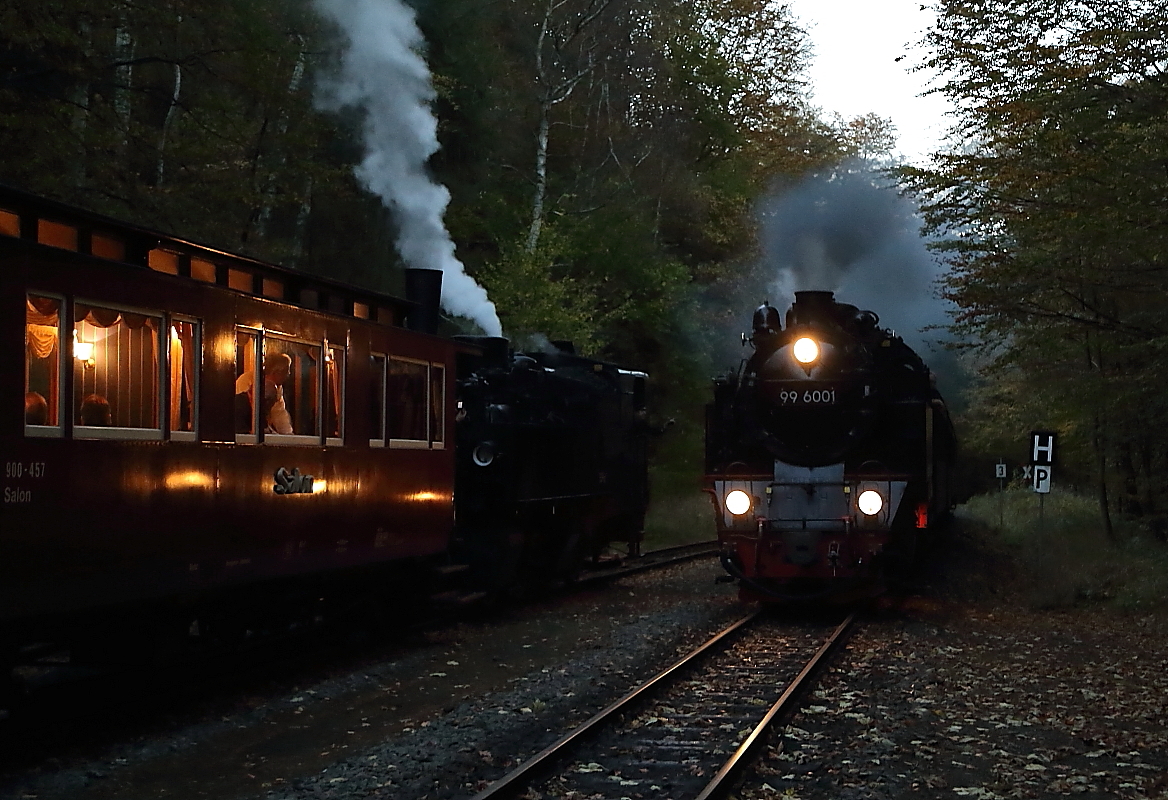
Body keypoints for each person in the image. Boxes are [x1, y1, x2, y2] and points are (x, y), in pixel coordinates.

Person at [235, 353, 293, 434]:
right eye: (287, 371)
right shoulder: (246, 380)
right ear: (277, 372)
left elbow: (279, 414)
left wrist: (289, 436)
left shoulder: (277, 388)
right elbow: (250, 414)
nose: (288, 374)